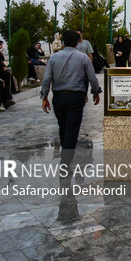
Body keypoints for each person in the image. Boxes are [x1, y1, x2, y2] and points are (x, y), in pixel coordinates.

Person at [41, 30, 101, 165]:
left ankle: (65, 156)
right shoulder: (83, 58)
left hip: (58, 97)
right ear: (77, 42)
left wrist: (44, 97)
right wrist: (96, 92)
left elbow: (46, 79)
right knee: (72, 129)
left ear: (63, 42)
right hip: (76, 98)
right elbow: (92, 78)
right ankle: (66, 161)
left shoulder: (54, 58)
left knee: (62, 126)